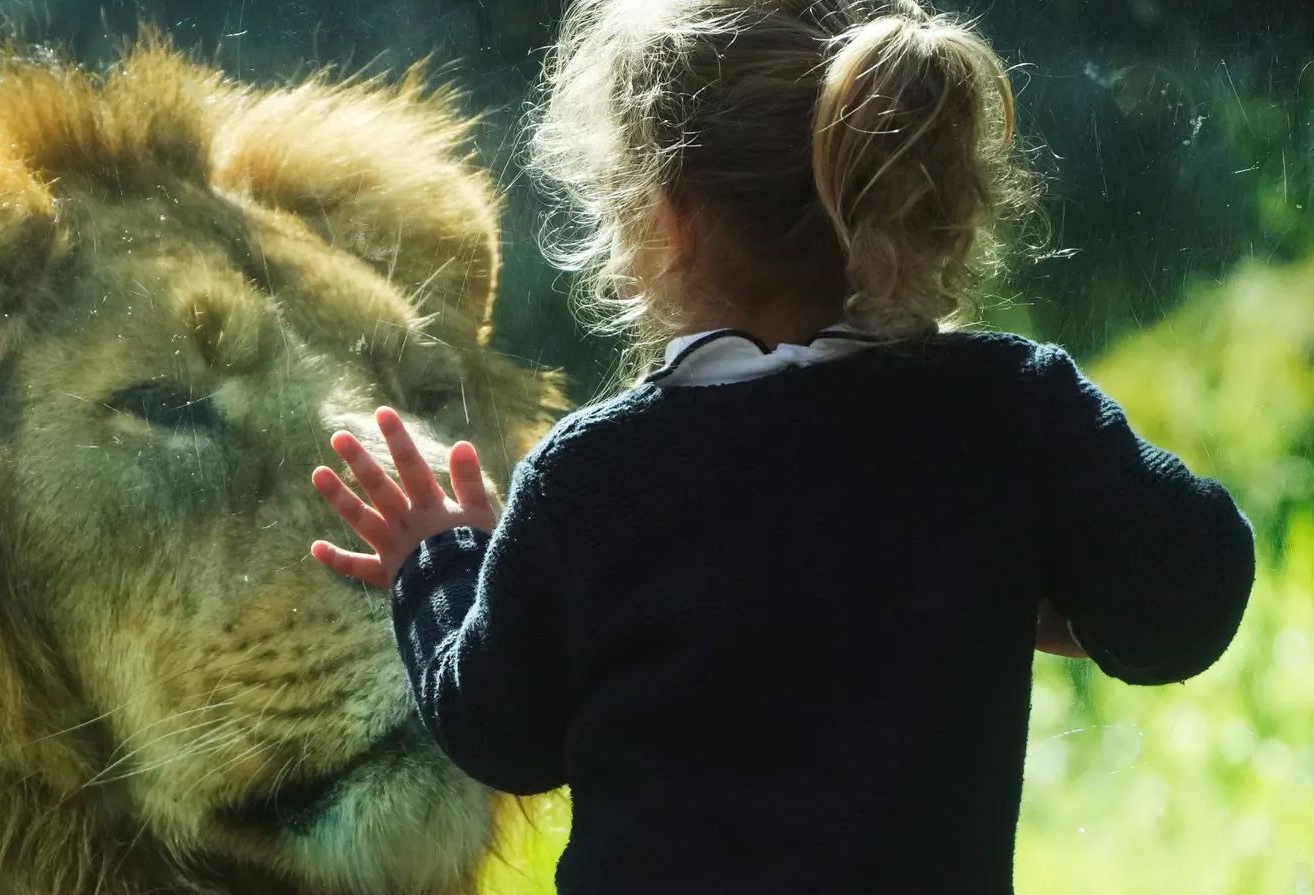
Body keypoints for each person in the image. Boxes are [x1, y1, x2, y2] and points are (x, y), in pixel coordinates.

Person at [304, 1, 1258, 892]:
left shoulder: (594, 480)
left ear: (662, 223)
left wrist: (438, 562)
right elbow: (1190, 590)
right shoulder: (1006, 413)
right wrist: (1045, 586)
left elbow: (504, 732)